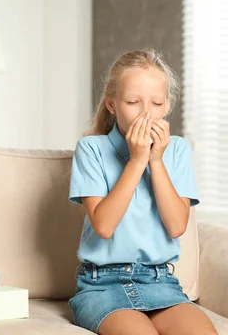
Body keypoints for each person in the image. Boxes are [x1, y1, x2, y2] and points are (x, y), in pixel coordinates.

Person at [68, 49, 218, 335]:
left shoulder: (177, 150)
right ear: (112, 104)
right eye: (133, 102)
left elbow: (176, 226)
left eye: (156, 103)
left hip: (160, 282)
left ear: (167, 106)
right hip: (102, 285)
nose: (146, 113)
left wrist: (155, 160)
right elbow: (104, 225)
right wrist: (137, 160)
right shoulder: (91, 149)